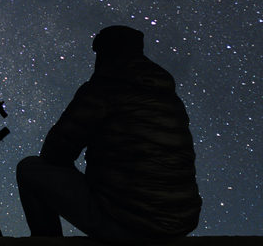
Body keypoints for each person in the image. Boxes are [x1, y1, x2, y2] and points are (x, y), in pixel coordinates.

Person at [17, 25, 201, 244]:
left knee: (30, 169)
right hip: (178, 223)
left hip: (130, 224)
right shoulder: (169, 97)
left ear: (104, 51)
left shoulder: (103, 89)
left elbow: (54, 153)